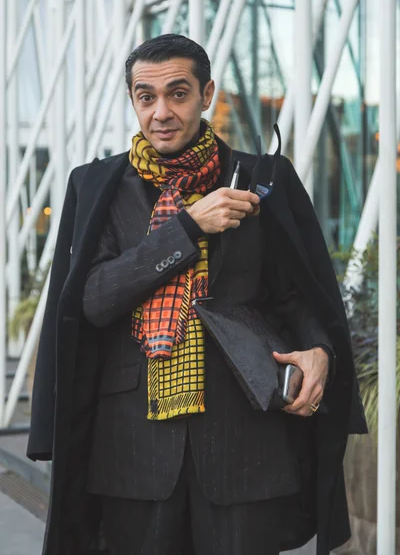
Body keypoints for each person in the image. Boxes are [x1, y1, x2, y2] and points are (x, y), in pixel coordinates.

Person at [27, 34, 367, 555]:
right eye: (146, 96)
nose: (161, 111)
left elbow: (299, 296)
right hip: (131, 454)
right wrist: (188, 227)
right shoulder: (96, 186)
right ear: (133, 101)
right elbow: (91, 301)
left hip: (245, 444)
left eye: (178, 93)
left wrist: (320, 351)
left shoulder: (261, 178)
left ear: (206, 94)